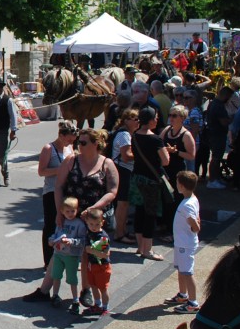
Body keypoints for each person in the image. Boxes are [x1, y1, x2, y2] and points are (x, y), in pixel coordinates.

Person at [54, 127, 119, 306]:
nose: (79, 146)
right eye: (78, 142)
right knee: (74, 254)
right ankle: (80, 290)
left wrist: (94, 207)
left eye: (83, 142)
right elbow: (58, 186)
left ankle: (94, 292)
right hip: (73, 216)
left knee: (95, 256)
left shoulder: (107, 164)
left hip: (94, 219)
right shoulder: (71, 160)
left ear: (95, 144)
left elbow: (112, 192)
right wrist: (60, 212)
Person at [128, 107, 170, 261]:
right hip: (151, 180)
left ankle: (140, 247)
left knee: (139, 211)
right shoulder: (156, 139)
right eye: (156, 117)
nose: (157, 120)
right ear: (151, 120)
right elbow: (165, 161)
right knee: (150, 214)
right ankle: (148, 250)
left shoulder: (135, 136)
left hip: (137, 178)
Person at [36, 121, 77, 267]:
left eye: (73, 140)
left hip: (67, 191)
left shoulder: (70, 148)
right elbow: (41, 171)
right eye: (69, 139)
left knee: (66, 224)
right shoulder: (49, 148)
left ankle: (64, 257)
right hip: (51, 191)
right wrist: (60, 169)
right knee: (51, 225)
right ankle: (48, 261)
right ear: (61, 135)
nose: (70, 142)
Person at [165, 171, 202, 314]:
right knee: (181, 270)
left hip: (185, 244)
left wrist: (195, 227)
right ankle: (182, 295)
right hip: (182, 243)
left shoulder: (186, 205)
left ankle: (193, 303)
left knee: (187, 272)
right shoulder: (192, 199)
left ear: (181, 185)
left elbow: (195, 225)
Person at [159, 105, 197, 240]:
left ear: (182, 118)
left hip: (178, 171)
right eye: (170, 115)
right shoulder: (167, 130)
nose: (171, 118)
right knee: (165, 198)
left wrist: (176, 152)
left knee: (175, 200)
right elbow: (159, 143)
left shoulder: (186, 135)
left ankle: (173, 231)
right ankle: (164, 224)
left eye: (174, 116)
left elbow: (191, 155)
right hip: (166, 170)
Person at [47, 196, 87, 314]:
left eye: (73, 211)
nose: (70, 214)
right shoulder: (61, 222)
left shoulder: (79, 224)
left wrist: (71, 242)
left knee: (72, 278)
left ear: (77, 210)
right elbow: (56, 235)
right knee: (56, 275)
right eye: (67, 211)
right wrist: (51, 240)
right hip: (58, 253)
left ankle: (75, 300)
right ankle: (55, 295)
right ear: (62, 211)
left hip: (71, 255)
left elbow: (82, 241)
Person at [110, 108, 140, 246]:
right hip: (123, 171)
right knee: (123, 203)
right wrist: (142, 154)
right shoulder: (124, 135)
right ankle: (119, 234)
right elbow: (126, 156)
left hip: (122, 170)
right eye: (135, 119)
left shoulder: (125, 133)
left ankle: (122, 230)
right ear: (126, 120)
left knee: (123, 203)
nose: (138, 122)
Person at [82, 208, 112, 317]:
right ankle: (97, 304)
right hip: (92, 265)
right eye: (91, 224)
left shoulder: (103, 237)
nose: (94, 227)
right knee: (93, 286)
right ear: (87, 223)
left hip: (102, 266)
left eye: (97, 224)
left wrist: (92, 250)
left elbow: (106, 254)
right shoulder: (89, 232)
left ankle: (105, 307)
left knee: (103, 288)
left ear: (102, 223)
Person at [206, 86, 233, 189]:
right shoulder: (218, 106)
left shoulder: (213, 103)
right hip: (217, 135)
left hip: (215, 134)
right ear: (225, 95)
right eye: (229, 97)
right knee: (216, 158)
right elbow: (224, 122)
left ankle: (216, 178)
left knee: (217, 157)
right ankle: (212, 180)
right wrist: (231, 119)